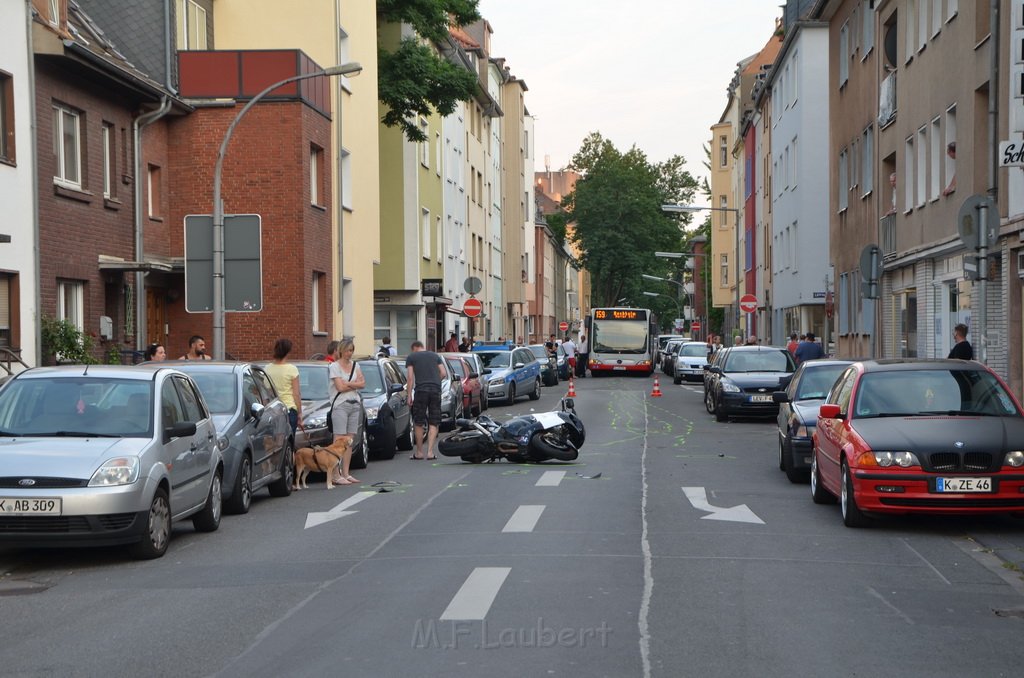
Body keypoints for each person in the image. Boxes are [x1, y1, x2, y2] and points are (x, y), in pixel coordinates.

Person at [328, 338, 365, 485]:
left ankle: (346, 473)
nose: (350, 353)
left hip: (354, 404)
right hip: (340, 405)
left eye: (352, 350)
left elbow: (363, 384)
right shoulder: (334, 367)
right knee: (338, 440)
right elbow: (340, 388)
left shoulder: (356, 365)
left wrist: (349, 383)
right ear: (341, 350)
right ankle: (335, 474)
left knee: (349, 440)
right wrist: (355, 385)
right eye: (348, 350)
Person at [406, 340, 446, 460]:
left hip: (421, 390)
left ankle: (419, 452)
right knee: (434, 421)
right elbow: (443, 373)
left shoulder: (411, 357)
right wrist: (436, 382)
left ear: (414, 348)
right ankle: (430, 452)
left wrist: (409, 395)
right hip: (435, 390)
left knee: (419, 421)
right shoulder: (435, 356)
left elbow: (410, 377)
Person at [265, 338, 304, 436]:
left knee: (275, 443)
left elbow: (266, 392)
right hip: (289, 409)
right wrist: (299, 413)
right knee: (289, 442)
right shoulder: (292, 369)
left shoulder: (267, 369)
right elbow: (296, 394)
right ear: (288, 352)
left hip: (273, 411)